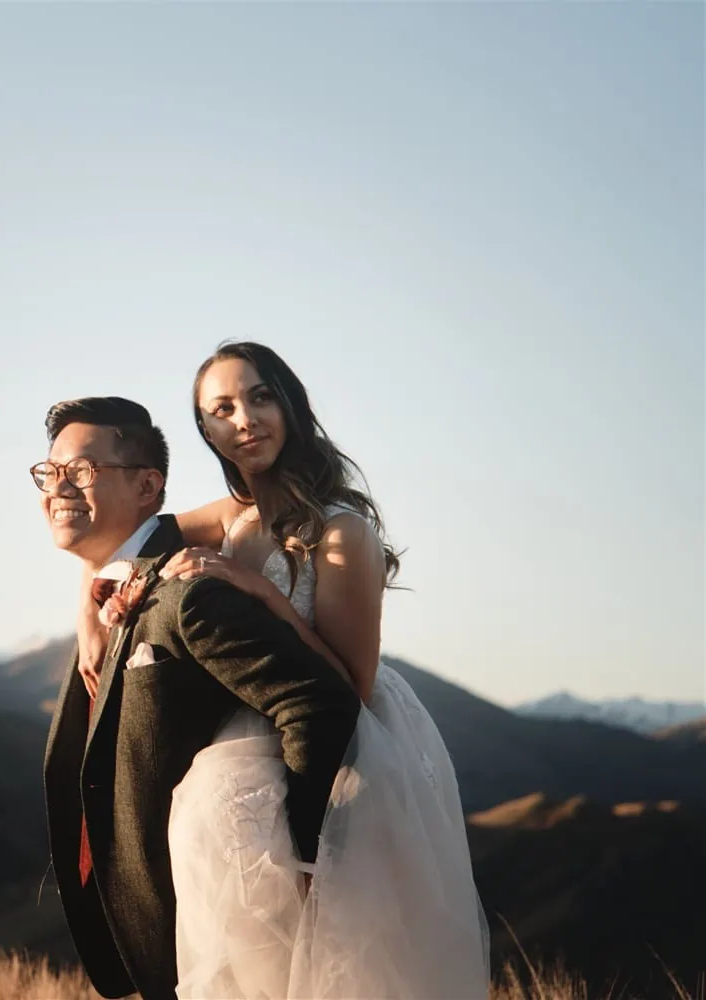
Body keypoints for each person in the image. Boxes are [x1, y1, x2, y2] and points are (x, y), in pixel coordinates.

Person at [151, 341, 490, 998]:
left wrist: (268, 598)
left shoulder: (342, 531)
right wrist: (90, 593)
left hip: (341, 753)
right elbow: (131, 535)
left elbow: (353, 687)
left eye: (259, 396)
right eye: (221, 408)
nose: (244, 419)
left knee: (339, 957)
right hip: (246, 743)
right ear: (206, 431)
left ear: (291, 405)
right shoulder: (230, 519)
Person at [35, 395, 361, 1000]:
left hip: (232, 926)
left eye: (81, 471)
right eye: (48, 472)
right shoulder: (111, 593)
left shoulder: (190, 594)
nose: (59, 487)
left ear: (147, 485)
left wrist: (302, 863)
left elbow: (320, 703)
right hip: (166, 933)